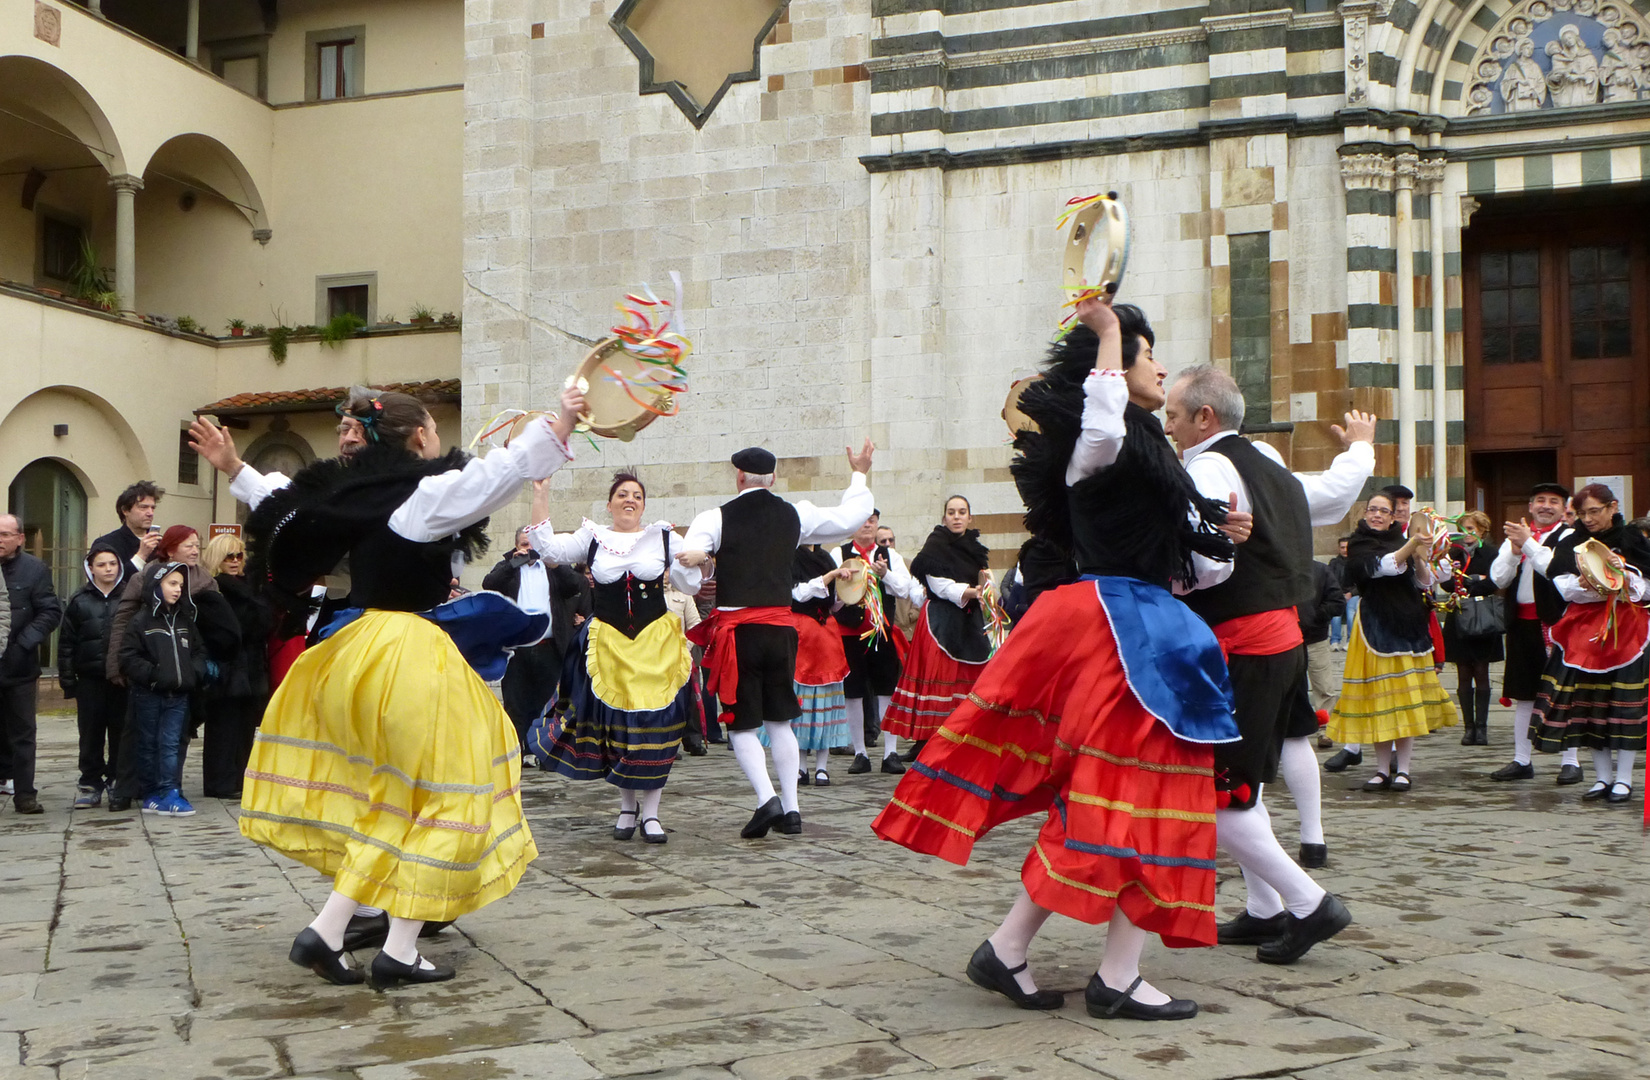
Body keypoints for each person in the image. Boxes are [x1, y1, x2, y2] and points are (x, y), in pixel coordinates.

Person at [875, 297, 1244, 1020]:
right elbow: (1102, 419)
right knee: (1142, 796)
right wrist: (1107, 332)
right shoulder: (1100, 439)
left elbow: (1189, 570)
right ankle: (1105, 973)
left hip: (1146, 627)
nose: (1159, 366)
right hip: (1120, 634)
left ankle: (1026, 952)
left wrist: (1225, 534)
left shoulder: (1146, 450)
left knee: (1128, 796)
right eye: (1147, 354)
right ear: (1112, 367)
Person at [239, 385, 582, 989]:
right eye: (430, 427)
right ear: (419, 437)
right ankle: (398, 948)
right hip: (407, 655)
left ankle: (328, 929)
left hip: (358, 649)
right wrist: (561, 424)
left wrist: (234, 470)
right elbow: (496, 477)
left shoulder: (360, 499)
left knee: (397, 799)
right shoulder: (419, 498)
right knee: (460, 789)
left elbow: (285, 499)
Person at [1163, 365, 1370, 948]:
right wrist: (1359, 451)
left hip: (1241, 644)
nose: (1169, 426)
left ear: (1204, 417)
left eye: (1174, 415)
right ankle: (1263, 906)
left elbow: (1205, 567)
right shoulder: (1265, 463)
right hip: (1281, 642)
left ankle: (1308, 903)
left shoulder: (1205, 466)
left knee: (1221, 789)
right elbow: (1330, 497)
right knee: (1243, 783)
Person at [680, 443, 876, 839]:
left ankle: (767, 798)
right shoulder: (795, 515)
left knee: (741, 727)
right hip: (783, 631)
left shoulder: (715, 518)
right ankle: (792, 810)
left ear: (738, 477)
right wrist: (859, 473)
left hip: (741, 634)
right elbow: (848, 518)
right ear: (772, 479)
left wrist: (701, 566)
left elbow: (684, 573)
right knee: (780, 721)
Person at [527, 471, 701, 844]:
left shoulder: (664, 537)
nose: (629, 500)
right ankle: (626, 807)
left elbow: (690, 584)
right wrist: (540, 494)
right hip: (609, 643)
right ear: (609, 503)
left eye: (636, 495)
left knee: (656, 727)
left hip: (655, 645)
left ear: (643, 504)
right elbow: (550, 551)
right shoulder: (592, 537)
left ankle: (652, 813)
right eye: (622, 494)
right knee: (618, 728)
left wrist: (694, 561)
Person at [1326, 493, 1459, 791]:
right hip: (1375, 624)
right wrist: (1411, 545)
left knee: (1403, 701)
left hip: (1408, 623)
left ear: (1391, 517)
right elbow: (1380, 567)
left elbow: (1425, 582)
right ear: (1365, 513)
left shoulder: (1402, 539)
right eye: (1372, 509)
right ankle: (1382, 770)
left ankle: (1404, 770)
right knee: (1380, 699)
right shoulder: (1360, 542)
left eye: (1383, 511)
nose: (1376, 515)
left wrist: (1421, 557)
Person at [1530, 484, 1650, 805]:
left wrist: (1620, 575)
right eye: (1582, 513)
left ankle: (1623, 779)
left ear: (1612, 507)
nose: (1588, 518)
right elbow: (1565, 588)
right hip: (1584, 634)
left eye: (1594, 511)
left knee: (1623, 706)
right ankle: (1601, 778)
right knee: (1591, 707)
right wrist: (1593, 583)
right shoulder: (1573, 541)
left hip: (1627, 632)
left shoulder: (1632, 539)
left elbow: (1646, 587)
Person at [883, 496, 993, 762]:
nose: (956, 517)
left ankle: (963, 735)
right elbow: (936, 582)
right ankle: (926, 739)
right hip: (939, 620)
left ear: (970, 518)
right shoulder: (936, 544)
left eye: (962, 512)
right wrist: (967, 591)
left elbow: (985, 578)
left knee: (966, 677)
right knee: (937, 678)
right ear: (944, 517)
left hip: (969, 619)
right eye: (951, 512)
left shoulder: (975, 549)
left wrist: (986, 589)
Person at [484, 485, 590, 760]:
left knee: (549, 703)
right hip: (517, 649)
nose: (529, 550)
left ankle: (547, 752)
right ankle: (516, 753)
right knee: (516, 702)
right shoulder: (508, 568)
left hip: (549, 646)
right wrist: (512, 562)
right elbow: (489, 583)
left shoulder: (553, 568)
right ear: (516, 545)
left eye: (533, 545)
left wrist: (555, 563)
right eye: (524, 544)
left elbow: (576, 586)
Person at [1489, 483, 1582, 783]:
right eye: (1540, 500)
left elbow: (1553, 570)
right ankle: (1521, 758)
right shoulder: (1516, 536)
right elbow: (1498, 578)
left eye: (1553, 501)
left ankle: (1571, 760)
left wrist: (1528, 543)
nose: (1545, 506)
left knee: (1564, 693)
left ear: (1564, 508)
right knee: (1524, 694)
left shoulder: (1569, 537)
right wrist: (1514, 552)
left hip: (1557, 625)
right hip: (1522, 624)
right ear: (1530, 506)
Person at [833, 512, 923, 775]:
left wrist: (885, 575)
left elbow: (904, 589)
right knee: (854, 691)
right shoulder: (839, 554)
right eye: (863, 520)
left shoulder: (889, 555)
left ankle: (890, 752)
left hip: (882, 631)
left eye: (872, 520)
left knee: (887, 689)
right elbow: (833, 599)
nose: (868, 525)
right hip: (850, 632)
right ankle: (860, 752)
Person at [119, 564, 209, 817]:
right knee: (148, 743)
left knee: (170, 743)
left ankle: (169, 789)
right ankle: (151, 793)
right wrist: (154, 675)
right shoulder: (141, 620)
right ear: (156, 586)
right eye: (172, 584)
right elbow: (128, 656)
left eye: (180, 585)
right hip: (149, 694)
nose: (178, 589)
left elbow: (199, 651)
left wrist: (194, 672)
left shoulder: (184, 620)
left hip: (178, 695)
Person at [199, 533, 271, 800]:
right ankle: (221, 782)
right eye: (229, 555)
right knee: (223, 727)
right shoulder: (214, 589)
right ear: (218, 558)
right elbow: (228, 629)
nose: (235, 561)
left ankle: (241, 778)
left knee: (244, 727)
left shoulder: (251, 587)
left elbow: (263, 623)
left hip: (250, 664)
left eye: (239, 555)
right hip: (227, 665)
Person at [0, 514, 62, 815]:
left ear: (20, 538)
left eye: (5, 534)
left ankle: (25, 794)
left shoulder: (34, 570)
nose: (0, 540)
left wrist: (25, 642)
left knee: (23, 733)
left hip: (19, 666)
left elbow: (50, 612)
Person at [59, 541, 128, 809]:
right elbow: (66, 644)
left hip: (121, 680)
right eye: (101, 564)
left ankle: (116, 780)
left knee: (121, 731)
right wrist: (68, 680)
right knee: (90, 733)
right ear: (91, 568)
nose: (108, 569)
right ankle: (89, 782)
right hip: (89, 680)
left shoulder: (128, 598)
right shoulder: (80, 600)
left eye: (112, 564)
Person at [1440, 511, 1504, 746]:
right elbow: (1446, 583)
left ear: (1482, 531)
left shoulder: (1491, 553)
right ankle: (1468, 728)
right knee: (1463, 673)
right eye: (1464, 529)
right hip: (1459, 617)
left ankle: (1482, 728)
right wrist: (1456, 577)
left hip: (1483, 616)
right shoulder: (1454, 553)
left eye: (1471, 529)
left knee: (1482, 672)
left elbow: (1495, 581)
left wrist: (1472, 583)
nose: (1467, 534)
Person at [91, 481, 164, 591]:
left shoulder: (161, 542)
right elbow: (109, 584)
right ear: (125, 510)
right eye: (143, 507)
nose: (150, 513)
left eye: (152, 508)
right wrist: (141, 556)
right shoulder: (106, 543)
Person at [1327, 538, 1353, 652]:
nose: (1345, 550)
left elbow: (1361, 582)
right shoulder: (1334, 563)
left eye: (1347, 547)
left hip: (1353, 594)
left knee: (1351, 612)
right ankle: (1335, 641)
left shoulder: (1356, 562)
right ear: (1339, 548)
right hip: (1337, 593)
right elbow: (1330, 579)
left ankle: (1350, 640)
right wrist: (1338, 593)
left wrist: (1351, 593)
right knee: (1335, 614)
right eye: (1342, 547)